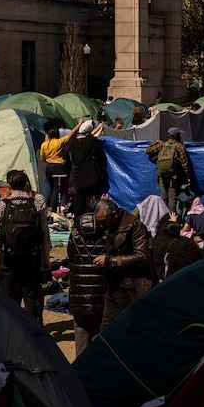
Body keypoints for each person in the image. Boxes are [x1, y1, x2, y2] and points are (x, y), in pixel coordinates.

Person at [0, 169, 50, 321]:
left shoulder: (3, 205)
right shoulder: (36, 203)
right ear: (26, 184)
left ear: (9, 186)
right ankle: (33, 329)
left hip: (8, 257)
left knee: (6, 295)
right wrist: (45, 257)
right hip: (31, 256)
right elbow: (44, 232)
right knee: (30, 296)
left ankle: (9, 328)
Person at [92, 198, 154, 332]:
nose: (101, 226)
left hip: (131, 288)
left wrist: (110, 261)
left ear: (113, 214)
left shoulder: (134, 226)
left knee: (132, 329)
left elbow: (143, 256)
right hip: (114, 285)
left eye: (103, 222)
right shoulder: (109, 227)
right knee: (106, 330)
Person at [65, 213, 109, 355]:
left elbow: (70, 254)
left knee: (81, 329)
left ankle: (80, 368)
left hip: (79, 285)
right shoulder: (107, 230)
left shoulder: (76, 230)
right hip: (101, 285)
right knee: (99, 327)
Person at [146, 128, 194, 216]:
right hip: (173, 177)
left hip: (162, 175)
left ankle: (161, 218)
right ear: (176, 136)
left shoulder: (162, 145)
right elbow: (184, 163)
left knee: (163, 196)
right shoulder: (179, 146)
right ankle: (170, 219)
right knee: (172, 198)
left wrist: (155, 142)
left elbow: (148, 151)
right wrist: (188, 177)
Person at [67, 121, 108, 215]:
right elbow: (94, 136)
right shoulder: (90, 142)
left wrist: (98, 127)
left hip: (78, 177)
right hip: (91, 176)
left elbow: (91, 135)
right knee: (91, 199)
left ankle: (77, 219)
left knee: (79, 198)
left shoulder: (75, 144)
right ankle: (92, 217)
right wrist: (101, 127)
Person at [40, 126, 69, 214]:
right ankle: (54, 208)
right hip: (59, 167)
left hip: (49, 167)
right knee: (58, 188)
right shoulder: (59, 142)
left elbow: (42, 158)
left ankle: (45, 206)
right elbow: (71, 135)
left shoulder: (44, 144)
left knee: (50, 186)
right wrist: (78, 125)